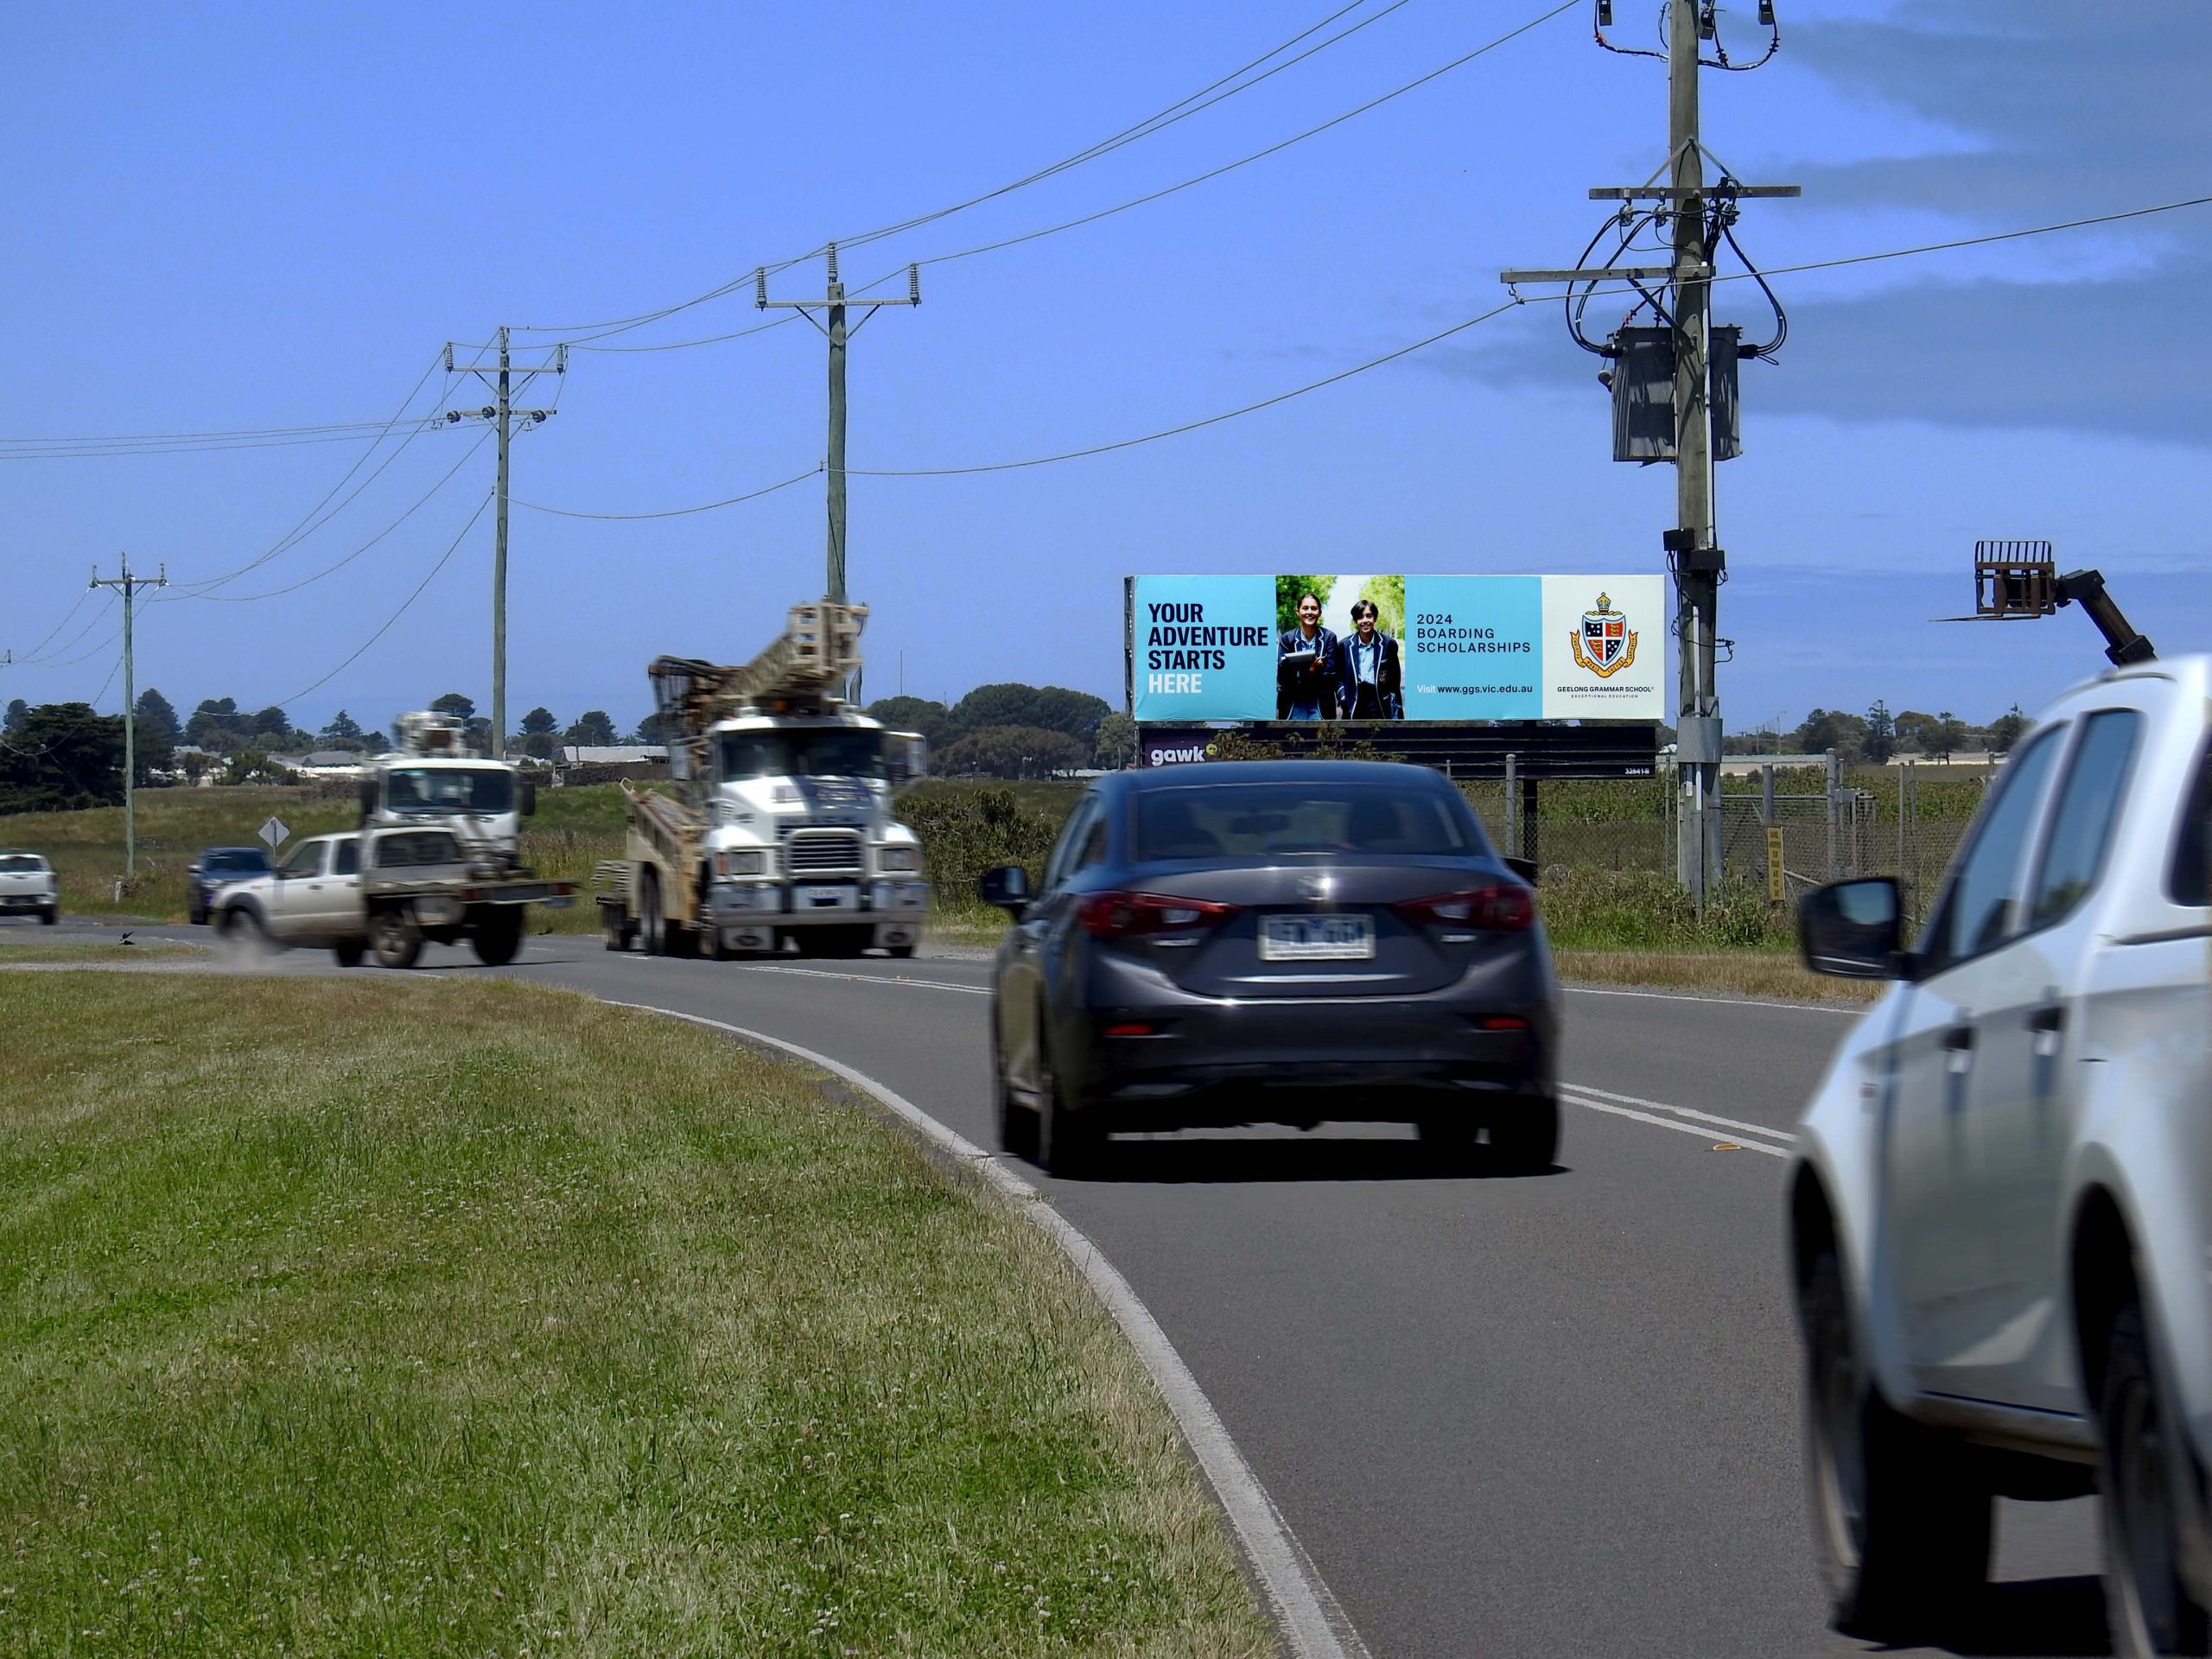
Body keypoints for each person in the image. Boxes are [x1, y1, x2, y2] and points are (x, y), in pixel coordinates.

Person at [1337, 598, 1403, 720]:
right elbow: (1337, 677)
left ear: (1375, 618)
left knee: (1380, 732)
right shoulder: (1343, 646)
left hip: (1379, 702)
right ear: (1355, 620)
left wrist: (1397, 710)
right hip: (1354, 701)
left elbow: (1395, 681)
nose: (1365, 621)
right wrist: (1343, 696)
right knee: (1353, 732)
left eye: (1369, 616)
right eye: (1360, 617)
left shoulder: (1389, 644)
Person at [1276, 591, 1339, 720]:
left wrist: (1299, 674)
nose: (1309, 612)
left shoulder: (1329, 638)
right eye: (1305, 608)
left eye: (1314, 608)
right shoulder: (1286, 639)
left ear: (1320, 612)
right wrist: (1311, 672)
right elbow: (1283, 678)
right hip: (1294, 705)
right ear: (1298, 612)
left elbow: (1331, 676)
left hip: (1320, 706)